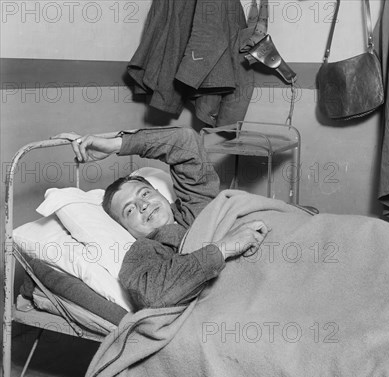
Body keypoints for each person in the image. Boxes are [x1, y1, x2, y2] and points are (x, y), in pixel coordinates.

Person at [65, 127, 270, 311]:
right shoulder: (143, 252)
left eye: (144, 194)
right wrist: (223, 248)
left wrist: (116, 144)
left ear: (159, 193)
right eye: (129, 210)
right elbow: (152, 294)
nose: (143, 205)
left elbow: (185, 141)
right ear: (125, 229)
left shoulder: (195, 206)